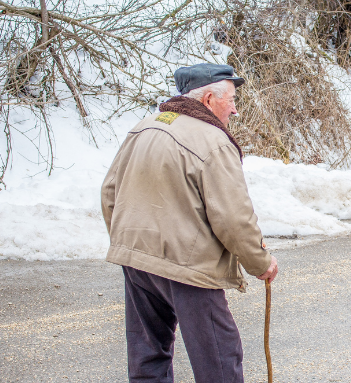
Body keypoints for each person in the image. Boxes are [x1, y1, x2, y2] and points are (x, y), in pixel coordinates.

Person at [101, 63, 278, 383]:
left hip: (137, 262)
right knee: (220, 359)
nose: (235, 110)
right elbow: (233, 218)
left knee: (148, 357)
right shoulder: (213, 140)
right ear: (209, 99)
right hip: (189, 266)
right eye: (232, 100)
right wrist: (260, 262)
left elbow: (110, 192)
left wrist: (130, 243)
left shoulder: (144, 126)